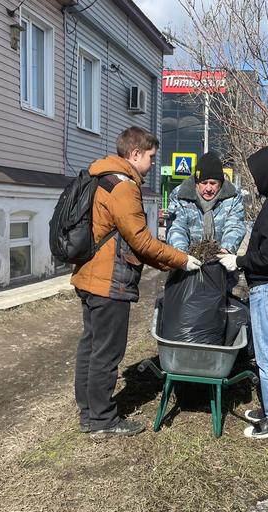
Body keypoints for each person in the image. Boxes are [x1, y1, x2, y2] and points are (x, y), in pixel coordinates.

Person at [72, 126, 201, 438]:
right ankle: (102, 420)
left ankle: (89, 413)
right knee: (107, 351)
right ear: (135, 154)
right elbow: (140, 241)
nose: (153, 163)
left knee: (91, 346)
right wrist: (181, 260)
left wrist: (167, 262)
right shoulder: (124, 186)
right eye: (151, 156)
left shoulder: (100, 176)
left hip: (90, 274)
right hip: (109, 280)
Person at [217, 144, 268, 439]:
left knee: (267, 354)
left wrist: (237, 261)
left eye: (257, 174)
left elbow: (267, 257)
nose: (256, 180)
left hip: (266, 287)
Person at [166, 151, 246, 255]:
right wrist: (182, 255)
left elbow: (235, 226)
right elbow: (177, 227)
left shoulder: (233, 196)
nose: (208, 188)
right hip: (187, 258)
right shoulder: (181, 196)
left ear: (220, 183)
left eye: (213, 183)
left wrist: (226, 250)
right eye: (204, 183)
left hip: (221, 258)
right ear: (196, 183)